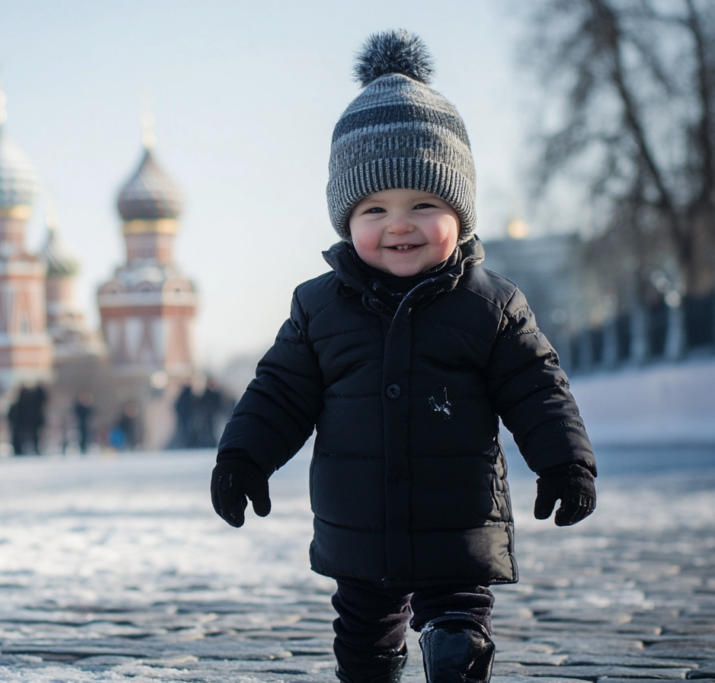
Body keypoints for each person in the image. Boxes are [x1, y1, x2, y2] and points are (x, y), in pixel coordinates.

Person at [210, 31, 597, 683]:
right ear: (345, 218)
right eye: (374, 208)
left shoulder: (491, 304)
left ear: (460, 211)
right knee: (362, 638)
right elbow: (279, 392)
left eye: (424, 203)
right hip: (359, 525)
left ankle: (458, 651)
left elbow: (537, 387)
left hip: (458, 518)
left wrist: (565, 461)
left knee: (457, 626)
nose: (399, 224)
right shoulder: (318, 308)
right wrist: (244, 456)